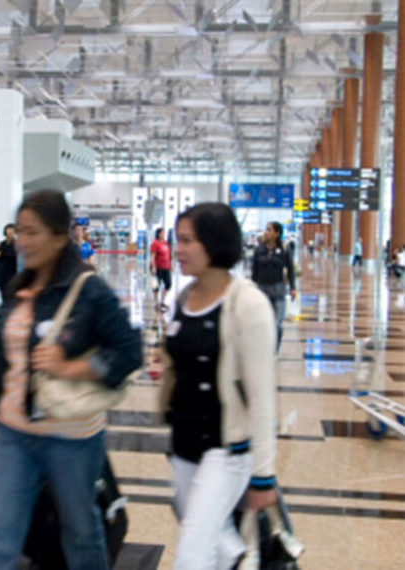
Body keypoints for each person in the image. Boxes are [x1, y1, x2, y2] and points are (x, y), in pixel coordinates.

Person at [0, 190, 142, 570]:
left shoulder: (87, 289)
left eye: (32, 232)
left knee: (81, 535)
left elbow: (130, 350)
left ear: (58, 236)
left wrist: (71, 368)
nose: (23, 240)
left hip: (72, 437)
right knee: (0, 542)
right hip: (13, 433)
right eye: (20, 230)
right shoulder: (18, 287)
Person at [161, 203, 277, 569]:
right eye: (177, 240)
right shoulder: (183, 298)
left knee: (191, 555)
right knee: (218, 544)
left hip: (226, 449)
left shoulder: (249, 303)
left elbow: (262, 395)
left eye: (187, 241)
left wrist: (264, 475)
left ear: (214, 243)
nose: (178, 249)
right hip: (184, 444)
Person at [251, 222, 296, 350]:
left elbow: (290, 269)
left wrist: (293, 287)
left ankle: (274, 349)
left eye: (269, 230)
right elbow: (254, 270)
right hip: (262, 289)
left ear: (277, 233)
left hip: (278, 289)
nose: (266, 232)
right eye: (267, 229)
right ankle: (263, 348)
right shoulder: (259, 249)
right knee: (262, 323)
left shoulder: (284, 249)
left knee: (278, 324)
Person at [0, 223, 18, 302]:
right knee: (2, 293)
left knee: (10, 293)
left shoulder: (17, 243)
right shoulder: (2, 243)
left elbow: (13, 254)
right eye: (8, 230)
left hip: (10, 271)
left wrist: (2, 253)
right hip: (1, 272)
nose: (10, 232)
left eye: (12, 230)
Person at [150, 227, 172, 312]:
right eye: (162, 233)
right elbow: (153, 256)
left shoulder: (166, 243)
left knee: (168, 284)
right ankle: (157, 303)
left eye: (164, 233)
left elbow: (168, 255)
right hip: (158, 268)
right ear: (158, 234)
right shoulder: (155, 243)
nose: (164, 234)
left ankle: (163, 301)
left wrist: (171, 265)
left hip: (167, 267)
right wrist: (153, 267)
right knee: (156, 286)